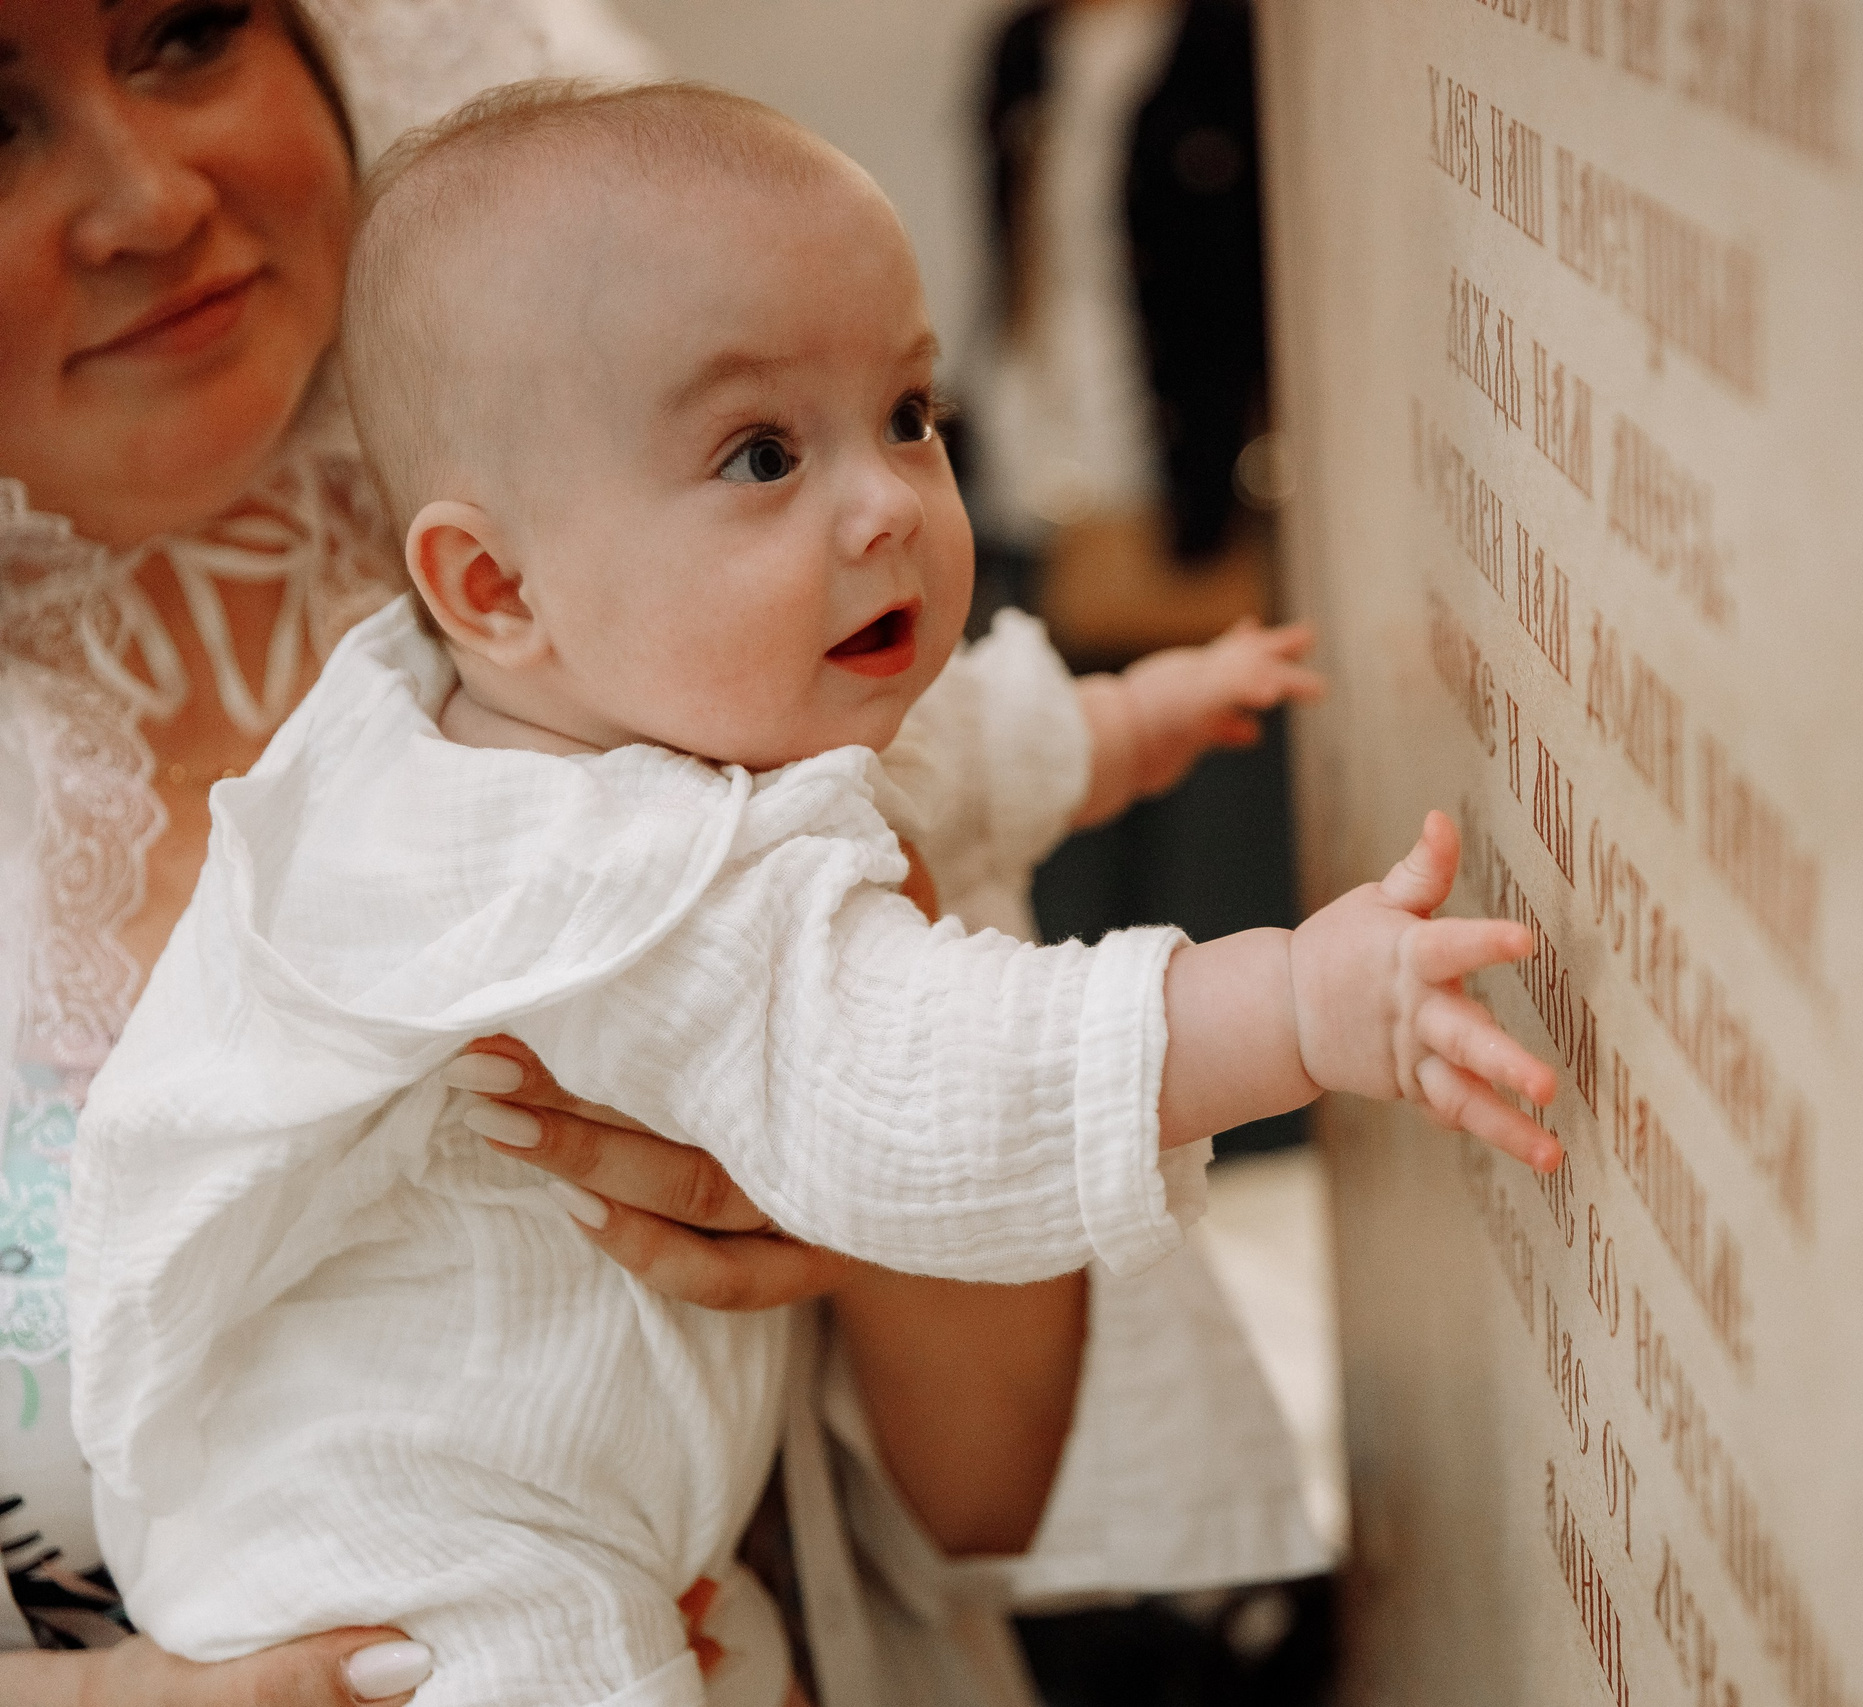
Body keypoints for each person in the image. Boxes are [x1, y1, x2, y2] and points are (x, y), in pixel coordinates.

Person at [70, 79, 1560, 1707]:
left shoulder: (566, 690)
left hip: (600, 1526)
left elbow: (930, 755)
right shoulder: (589, 874)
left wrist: (1121, 721)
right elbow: (923, 1071)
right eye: (762, 453)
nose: (887, 506)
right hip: (419, 1571)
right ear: (492, 585)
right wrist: (1295, 1002)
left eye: (910, 414)